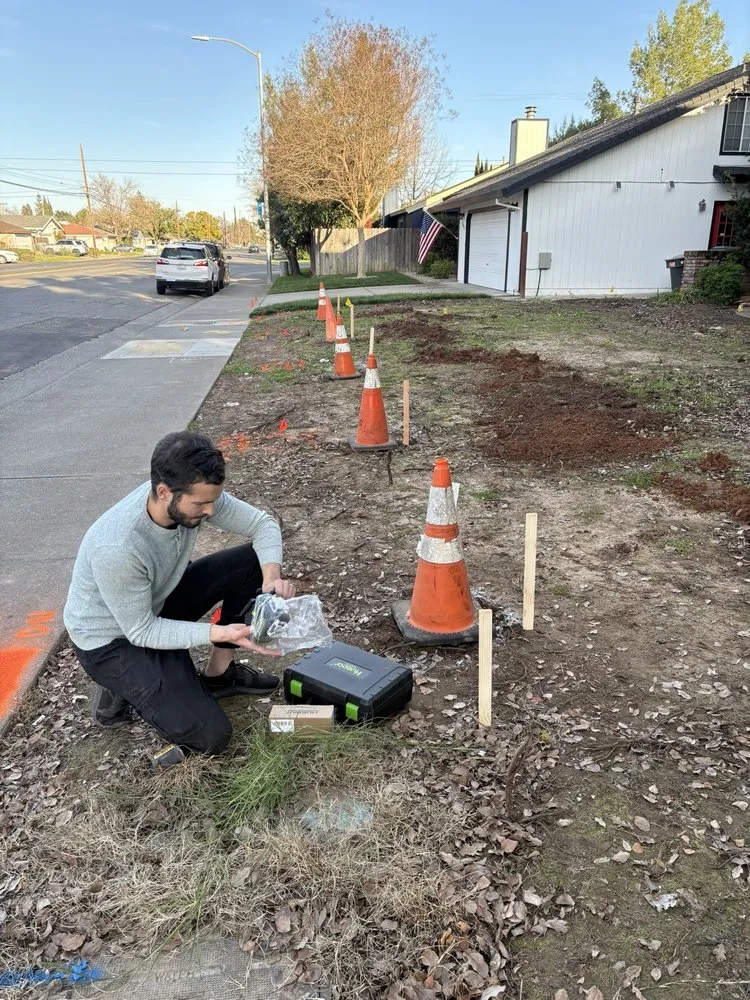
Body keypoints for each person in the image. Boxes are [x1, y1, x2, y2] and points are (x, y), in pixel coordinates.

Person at [63, 431, 296, 757]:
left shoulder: (193, 493)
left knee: (250, 562)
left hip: (155, 602)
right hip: (113, 640)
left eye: (214, 500)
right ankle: (120, 687)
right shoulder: (117, 547)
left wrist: (271, 579)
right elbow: (141, 630)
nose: (211, 511)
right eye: (201, 503)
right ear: (163, 491)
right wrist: (217, 631)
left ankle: (219, 674)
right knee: (212, 736)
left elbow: (263, 525)